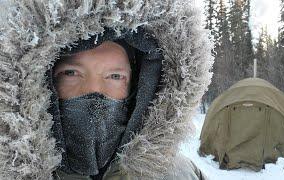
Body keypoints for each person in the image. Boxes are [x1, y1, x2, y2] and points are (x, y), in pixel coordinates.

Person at [0, 0, 213, 180]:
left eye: (115, 76)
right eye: (71, 73)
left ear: (141, 87)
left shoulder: (181, 175)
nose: (94, 90)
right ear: (38, 82)